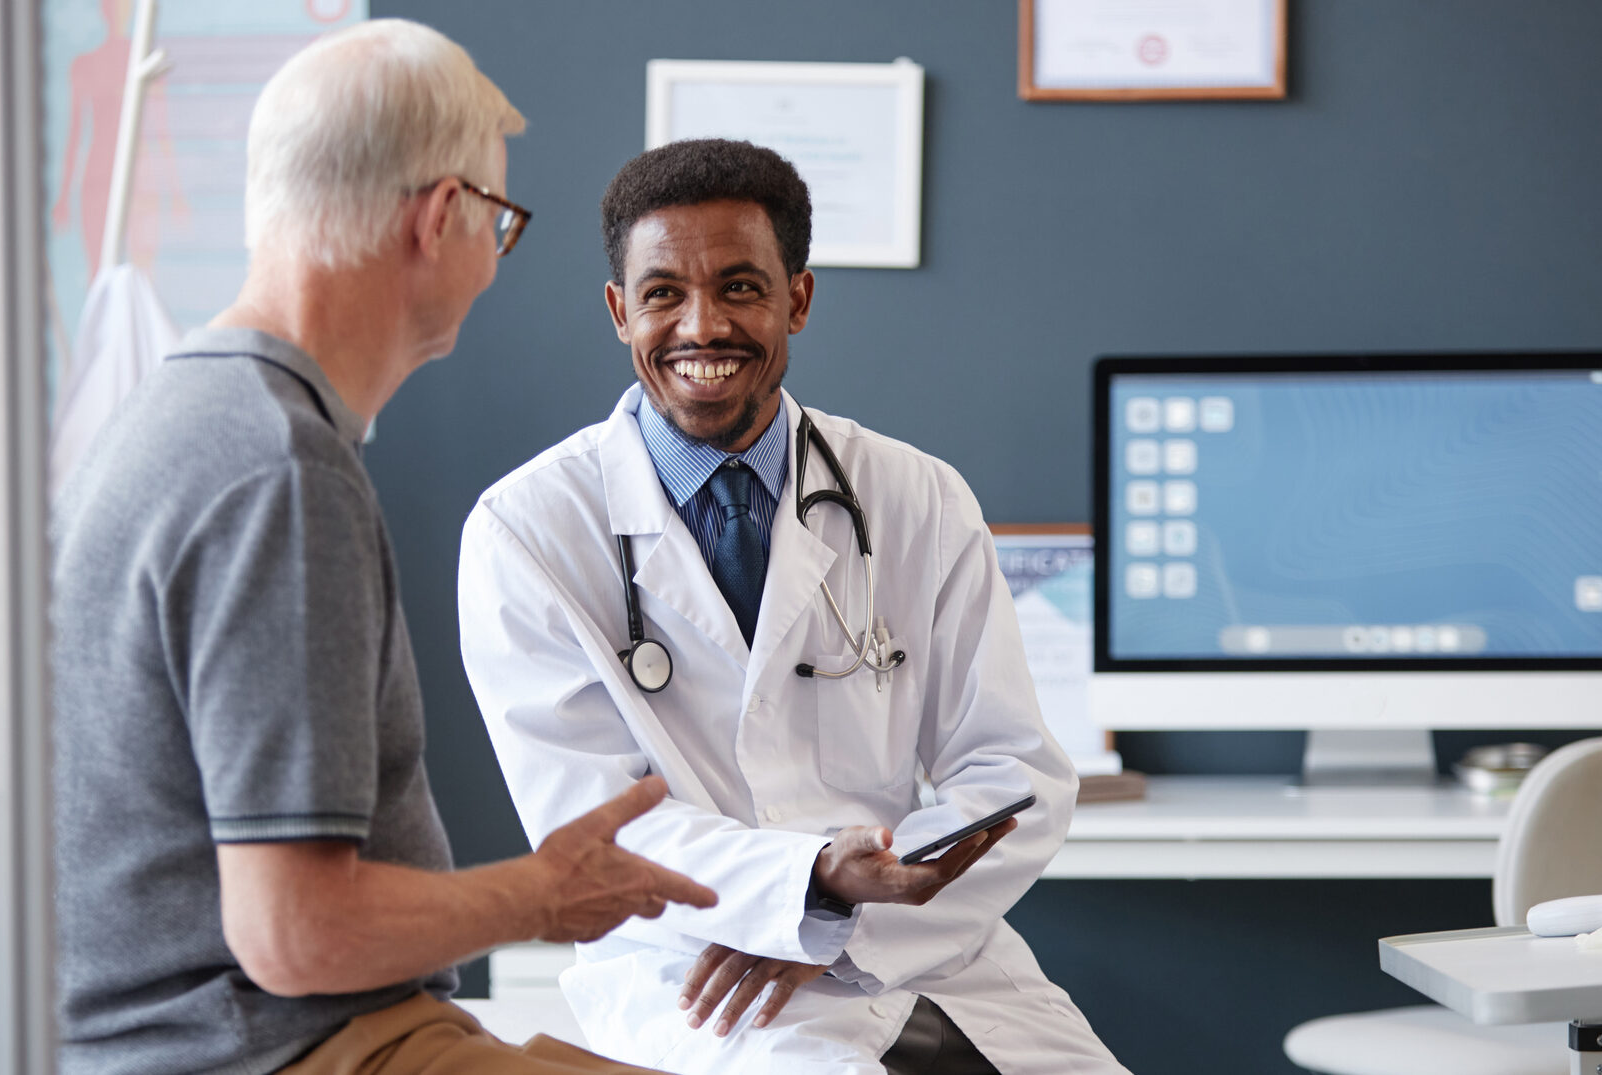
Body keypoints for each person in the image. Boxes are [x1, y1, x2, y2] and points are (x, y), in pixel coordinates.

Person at [50, 22, 715, 1075]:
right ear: (443, 215)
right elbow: (296, 932)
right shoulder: (278, 469)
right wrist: (545, 894)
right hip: (274, 1045)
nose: (492, 256)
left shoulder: (176, 416)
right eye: (497, 221)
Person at [458, 139, 1130, 1074]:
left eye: (740, 287)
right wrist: (799, 888)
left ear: (797, 301)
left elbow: (1013, 770)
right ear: (620, 311)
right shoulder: (528, 530)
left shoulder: (917, 497)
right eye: (663, 294)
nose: (702, 326)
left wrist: (842, 915)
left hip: (931, 963)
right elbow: (596, 826)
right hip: (700, 977)